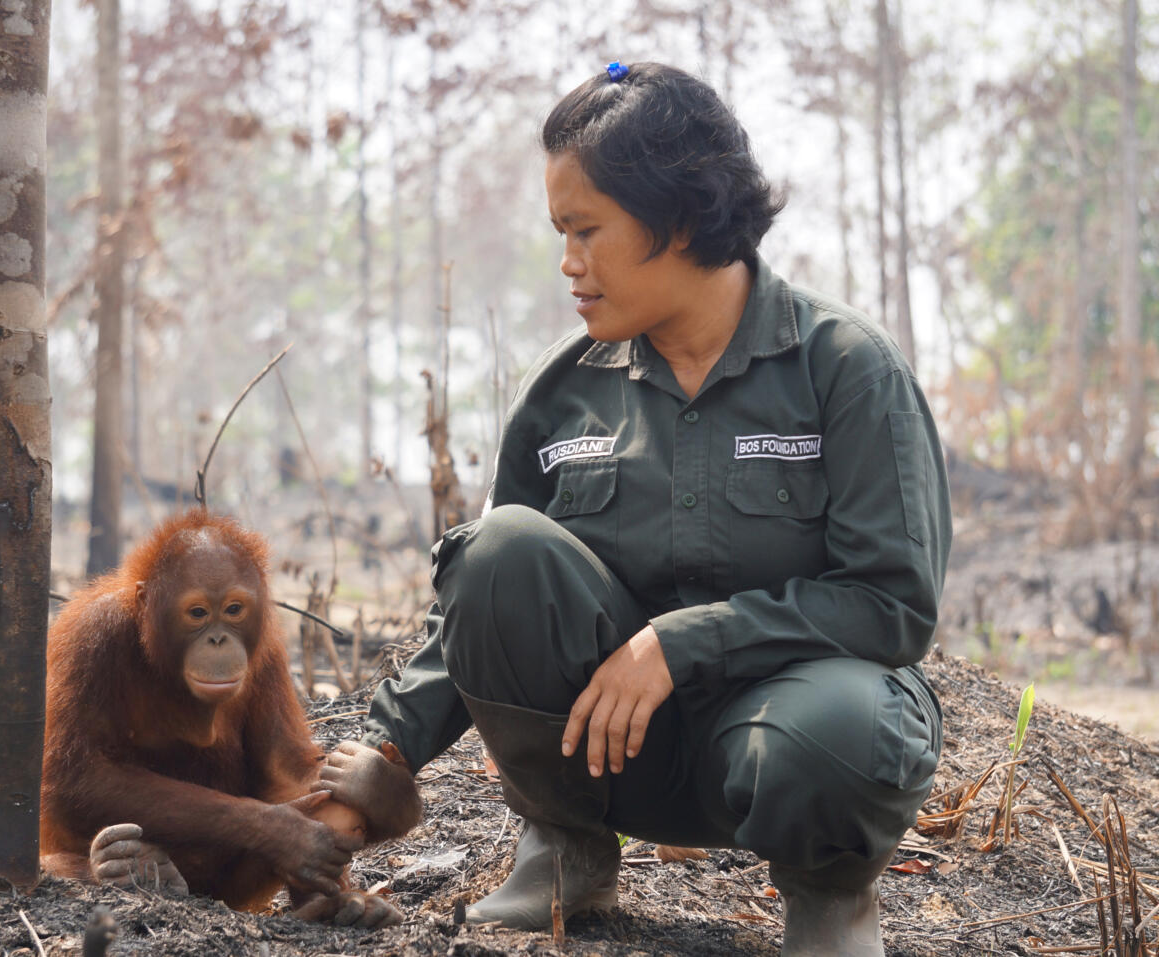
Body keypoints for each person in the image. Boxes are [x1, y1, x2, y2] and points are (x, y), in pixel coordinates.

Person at [316, 61, 949, 957]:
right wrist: (384, 759)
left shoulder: (846, 368)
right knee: (497, 546)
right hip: (609, 752)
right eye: (559, 232)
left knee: (845, 721)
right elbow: (479, 602)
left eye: (587, 230)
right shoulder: (561, 389)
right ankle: (567, 849)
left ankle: (828, 901)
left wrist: (679, 642)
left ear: (680, 219)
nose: (568, 263)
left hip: (786, 742)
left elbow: (894, 603)